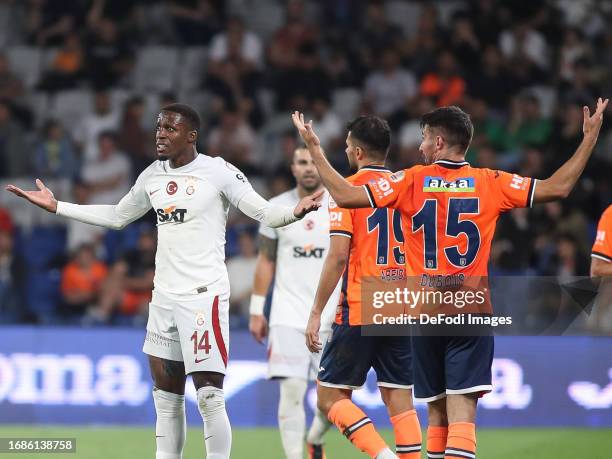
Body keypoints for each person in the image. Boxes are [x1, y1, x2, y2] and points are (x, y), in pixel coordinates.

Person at [292, 96, 608, 459]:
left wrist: (315, 149)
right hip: (469, 310)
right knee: (461, 418)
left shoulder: (410, 180)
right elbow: (558, 187)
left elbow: (347, 195)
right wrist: (589, 140)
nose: (420, 145)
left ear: (439, 142)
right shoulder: (490, 181)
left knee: (436, 415)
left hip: (425, 312)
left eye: (425, 137)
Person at [6, 103, 323, 459]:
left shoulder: (218, 172)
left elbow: (262, 211)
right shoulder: (152, 175)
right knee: (167, 400)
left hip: (204, 298)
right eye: (159, 128)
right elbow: (117, 216)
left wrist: (294, 211)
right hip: (164, 300)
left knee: (208, 396)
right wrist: (58, 206)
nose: (161, 134)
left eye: (171, 129)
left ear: (191, 136)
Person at [304, 116, 421, 459]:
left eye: (345, 147)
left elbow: (339, 257)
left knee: (329, 399)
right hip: (401, 299)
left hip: (361, 301)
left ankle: (383, 457)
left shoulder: (348, 191)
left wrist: (315, 313)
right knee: (399, 399)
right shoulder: (408, 189)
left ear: (356, 151)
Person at [248, 147, 339, 459]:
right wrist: (256, 310)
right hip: (287, 314)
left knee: (334, 401)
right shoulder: (276, 207)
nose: (310, 168)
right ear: (292, 167)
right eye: (303, 162)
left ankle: (314, 438)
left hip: (331, 316)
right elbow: (265, 260)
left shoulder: (341, 203)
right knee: (291, 391)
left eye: (314, 162)